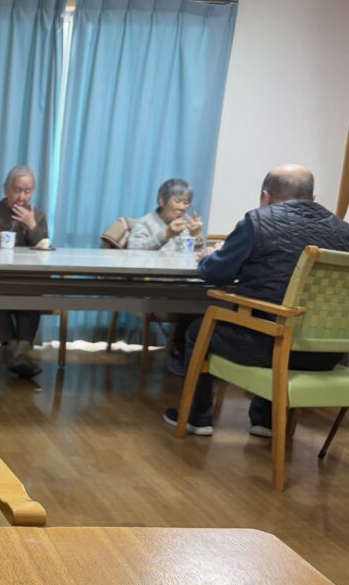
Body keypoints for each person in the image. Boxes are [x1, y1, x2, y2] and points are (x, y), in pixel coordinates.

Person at [164, 164, 349, 437]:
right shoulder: (343, 232)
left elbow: (217, 273)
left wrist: (208, 258)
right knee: (282, 322)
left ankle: (197, 417)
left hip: (264, 347)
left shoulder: (258, 221)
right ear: (313, 198)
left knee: (198, 328)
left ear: (266, 196)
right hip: (324, 356)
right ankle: (266, 420)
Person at [0, 165, 49, 378]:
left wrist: (32, 226)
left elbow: (45, 249)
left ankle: (16, 352)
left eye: (28, 191)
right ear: (6, 189)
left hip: (27, 278)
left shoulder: (38, 215)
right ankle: (17, 352)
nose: (22, 196)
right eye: (17, 190)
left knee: (35, 292)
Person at [126, 178, 204, 374]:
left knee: (206, 298)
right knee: (193, 301)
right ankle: (180, 352)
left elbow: (195, 256)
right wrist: (165, 234)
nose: (182, 207)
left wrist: (198, 237)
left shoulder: (186, 225)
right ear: (162, 200)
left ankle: (194, 357)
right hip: (155, 284)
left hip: (182, 282)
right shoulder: (146, 223)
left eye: (186, 202)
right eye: (177, 201)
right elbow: (133, 252)